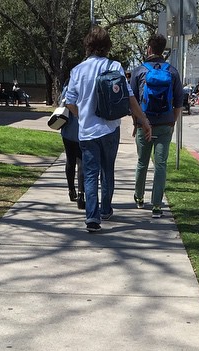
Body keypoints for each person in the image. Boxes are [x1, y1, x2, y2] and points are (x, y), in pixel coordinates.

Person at [65, 26, 152, 232]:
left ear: (88, 46)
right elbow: (130, 99)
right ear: (107, 46)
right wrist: (144, 121)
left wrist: (82, 115)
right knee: (107, 171)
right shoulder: (115, 67)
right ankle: (106, 209)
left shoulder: (77, 70)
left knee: (89, 174)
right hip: (110, 129)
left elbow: (69, 102)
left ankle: (92, 218)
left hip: (86, 132)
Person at [130, 33, 183, 218]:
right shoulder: (172, 71)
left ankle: (139, 197)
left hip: (144, 124)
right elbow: (178, 102)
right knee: (161, 165)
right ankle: (157, 205)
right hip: (165, 124)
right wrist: (172, 122)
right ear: (163, 50)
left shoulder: (139, 71)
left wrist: (136, 123)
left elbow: (133, 101)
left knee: (142, 162)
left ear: (149, 49)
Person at [59, 85, 84, 210]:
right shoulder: (87, 86)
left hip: (68, 130)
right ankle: (81, 194)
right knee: (82, 163)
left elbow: (61, 106)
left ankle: (71, 189)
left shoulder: (68, 89)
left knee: (70, 161)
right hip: (83, 131)